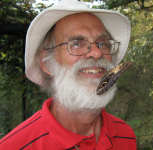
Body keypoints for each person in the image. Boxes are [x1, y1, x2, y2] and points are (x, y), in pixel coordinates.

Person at [0, 0, 136, 149]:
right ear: (47, 63)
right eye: (76, 44)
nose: (97, 52)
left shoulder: (124, 135)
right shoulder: (17, 146)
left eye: (102, 43)